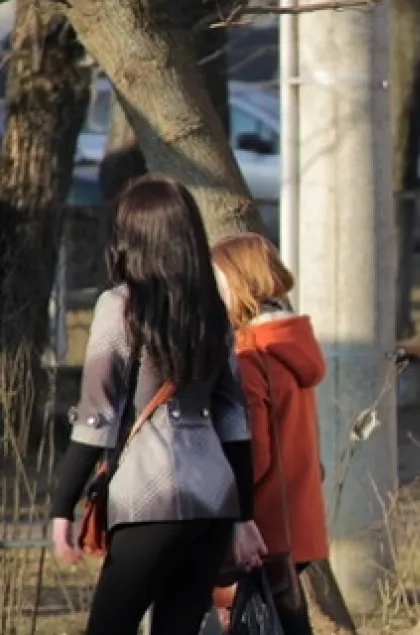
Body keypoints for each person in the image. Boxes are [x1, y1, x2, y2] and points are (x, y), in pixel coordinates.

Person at [49, 175, 267, 635]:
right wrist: (244, 514)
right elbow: (235, 422)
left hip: (147, 498)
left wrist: (61, 507)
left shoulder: (120, 307)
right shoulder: (213, 311)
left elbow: (96, 417)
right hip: (214, 503)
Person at [210, 232, 329, 634]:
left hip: (260, 525)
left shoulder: (249, 354)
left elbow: (254, 450)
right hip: (299, 519)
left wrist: (221, 502)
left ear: (238, 283)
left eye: (217, 281)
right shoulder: (292, 344)